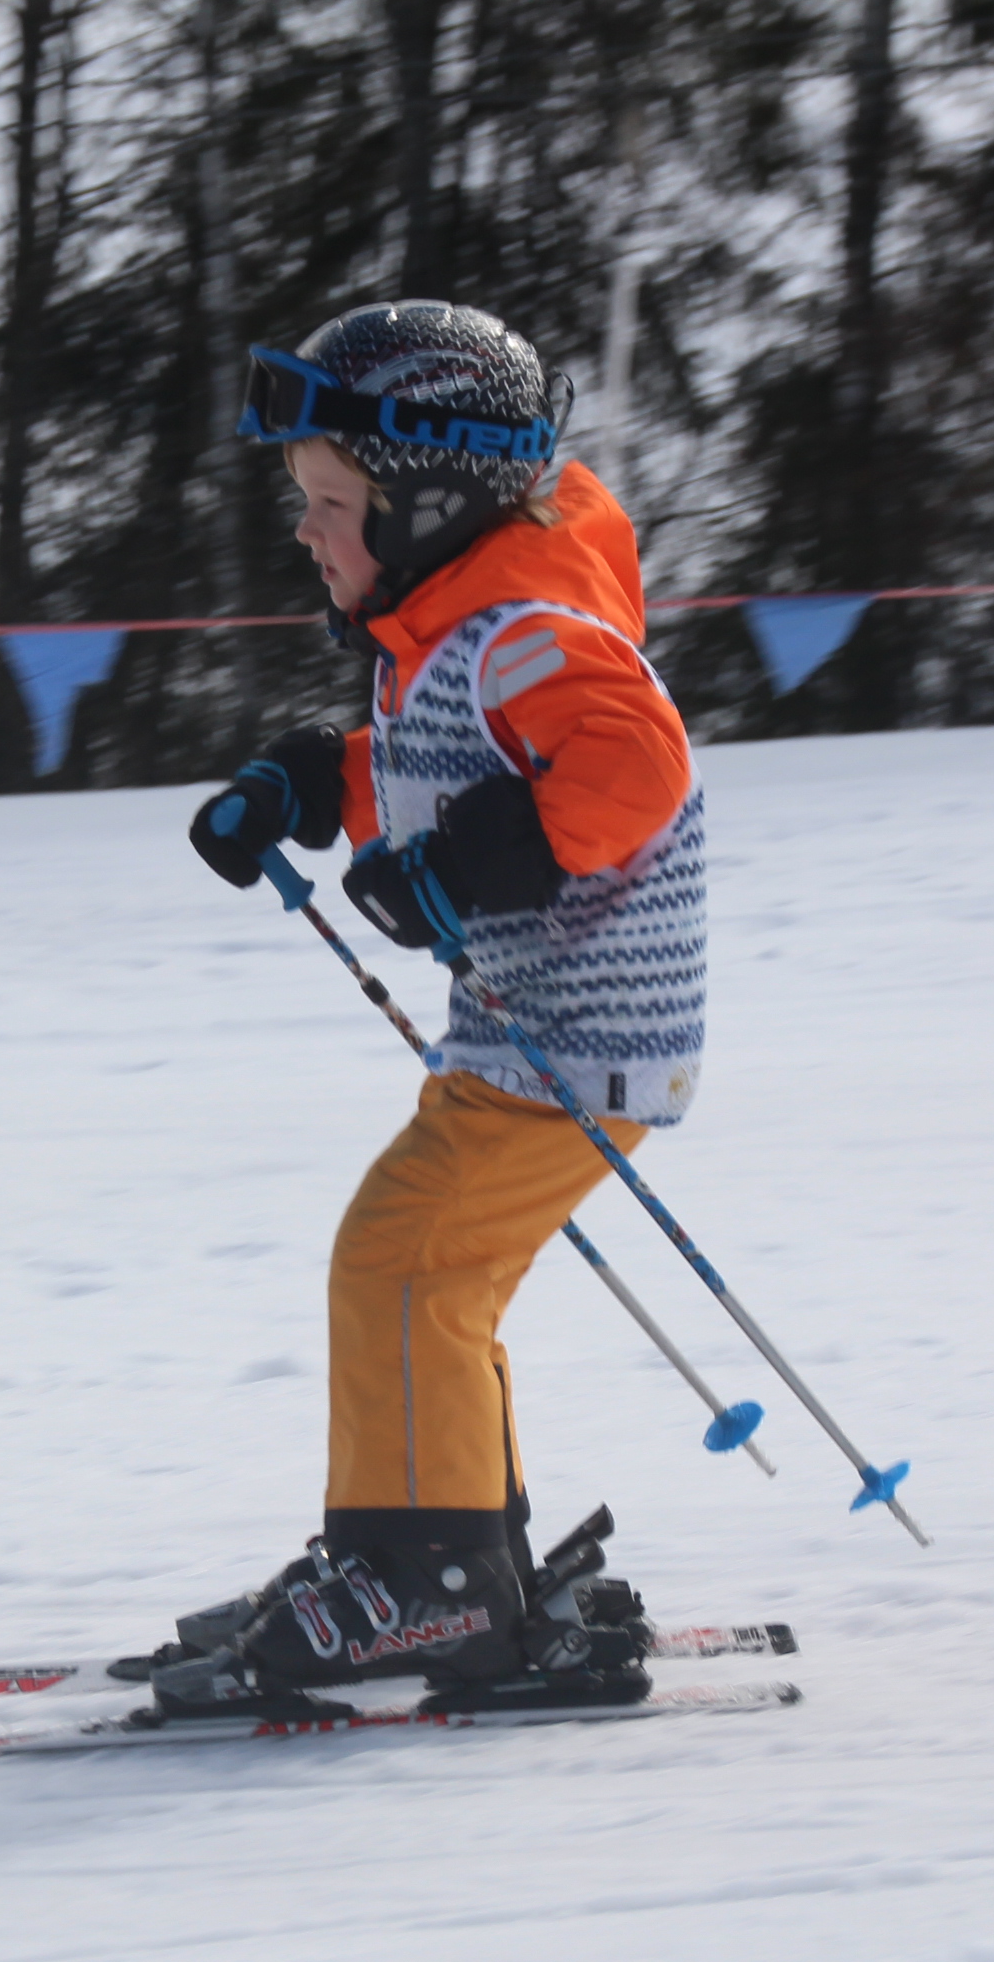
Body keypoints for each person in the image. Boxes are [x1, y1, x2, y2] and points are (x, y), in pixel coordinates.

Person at [150, 299, 707, 1718]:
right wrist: (309, 784)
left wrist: (470, 866)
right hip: (531, 1040)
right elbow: (437, 768)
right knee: (423, 1274)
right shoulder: (456, 634)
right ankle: (443, 1558)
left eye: (332, 504)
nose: (308, 532)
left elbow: (637, 765)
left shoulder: (524, 631)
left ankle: (429, 1579)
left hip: (580, 1039)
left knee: (405, 1266)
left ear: (435, 503)